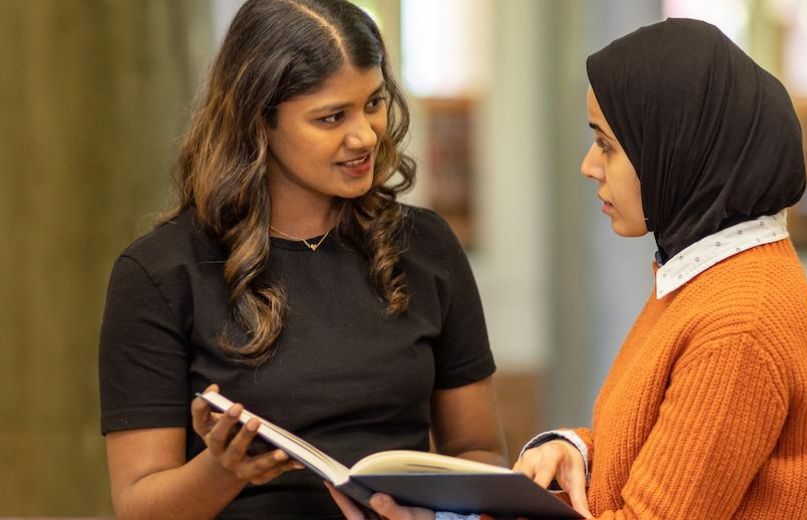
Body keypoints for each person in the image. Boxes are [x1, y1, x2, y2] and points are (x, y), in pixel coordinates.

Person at [329, 18, 807, 520]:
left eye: (608, 145)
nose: (589, 165)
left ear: (675, 151)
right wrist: (577, 449)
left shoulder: (738, 324)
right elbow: (666, 451)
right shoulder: (708, 278)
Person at [98, 1, 505, 518]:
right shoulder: (159, 273)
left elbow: (477, 453)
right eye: (331, 117)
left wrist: (436, 515)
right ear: (257, 121)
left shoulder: (425, 246)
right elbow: (139, 505)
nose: (365, 136)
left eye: (375, 102)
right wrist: (223, 470)